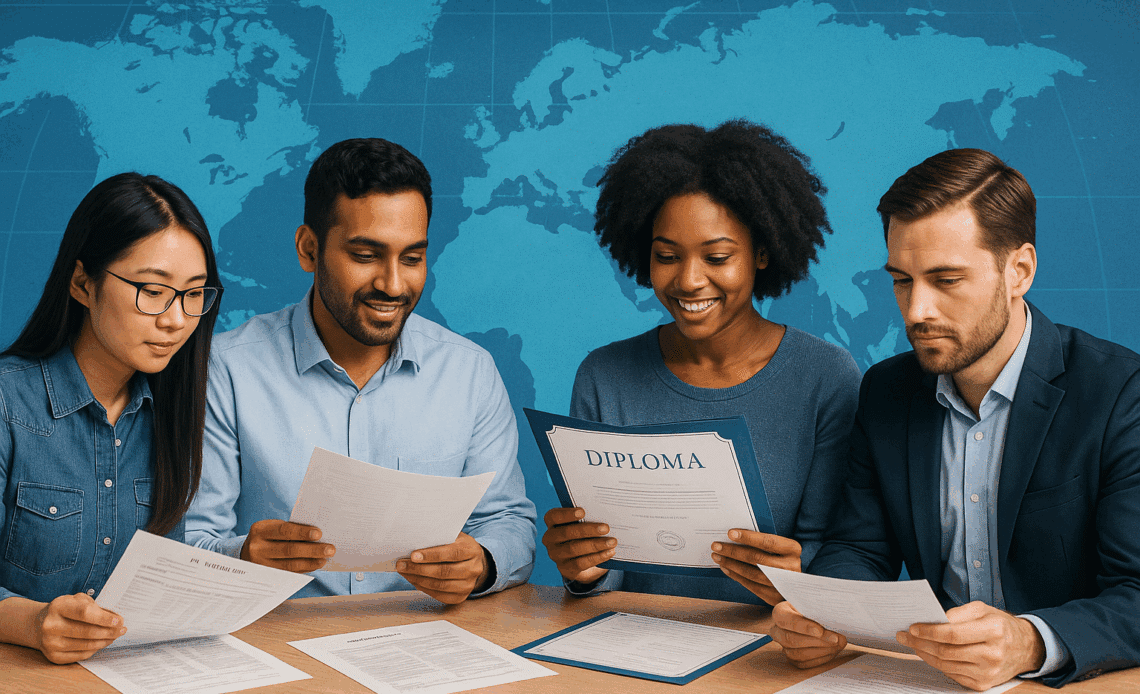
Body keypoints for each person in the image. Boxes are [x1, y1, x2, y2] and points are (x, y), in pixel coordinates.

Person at [769, 148, 1140, 689]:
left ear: (1019, 271)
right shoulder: (887, 391)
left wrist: (1031, 641)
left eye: (945, 281)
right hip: (931, 681)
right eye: (902, 280)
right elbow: (860, 548)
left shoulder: (1119, 393)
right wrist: (822, 612)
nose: (916, 311)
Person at [185, 137, 536, 603]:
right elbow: (189, 543)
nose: (393, 284)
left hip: (425, 647)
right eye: (366, 256)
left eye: (412, 258)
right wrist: (244, 558)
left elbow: (508, 522)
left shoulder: (470, 373)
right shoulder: (226, 369)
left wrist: (483, 562)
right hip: (278, 648)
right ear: (309, 249)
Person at [541, 120, 862, 605]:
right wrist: (583, 569)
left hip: (772, 654)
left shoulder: (826, 378)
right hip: (637, 649)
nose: (689, 281)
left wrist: (799, 579)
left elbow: (841, 551)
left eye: (717, 257)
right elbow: (607, 565)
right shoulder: (603, 376)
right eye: (667, 255)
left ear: (762, 252)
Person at [0, 173, 222, 663]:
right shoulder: (7, 404)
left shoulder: (174, 413)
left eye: (193, 294)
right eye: (153, 290)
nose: (175, 320)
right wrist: (35, 624)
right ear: (83, 283)